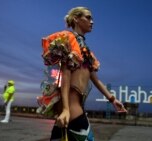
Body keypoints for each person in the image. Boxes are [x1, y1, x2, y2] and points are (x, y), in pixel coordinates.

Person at [42, 6, 127, 141]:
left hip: (76, 112)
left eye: (92, 18)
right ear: (76, 19)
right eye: (88, 17)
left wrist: (113, 100)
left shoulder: (86, 51)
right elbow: (65, 74)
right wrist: (65, 109)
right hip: (70, 113)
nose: (92, 21)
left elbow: (95, 79)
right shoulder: (68, 40)